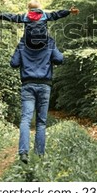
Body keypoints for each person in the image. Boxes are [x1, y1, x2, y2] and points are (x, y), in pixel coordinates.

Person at [10, 36, 64, 164]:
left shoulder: (23, 42)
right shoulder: (49, 41)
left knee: (25, 119)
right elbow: (59, 59)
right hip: (45, 85)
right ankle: (39, 155)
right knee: (41, 122)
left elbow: (14, 63)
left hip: (28, 84)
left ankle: (23, 152)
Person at [0, 0, 79, 50]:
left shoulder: (25, 17)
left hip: (29, 43)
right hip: (43, 42)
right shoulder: (45, 15)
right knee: (51, 40)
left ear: (29, 9)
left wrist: (1, 15)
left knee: (22, 40)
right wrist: (69, 11)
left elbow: (13, 17)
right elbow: (56, 14)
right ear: (39, 8)